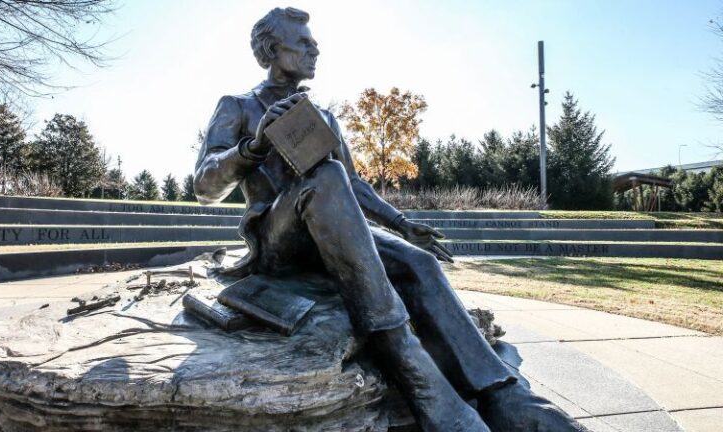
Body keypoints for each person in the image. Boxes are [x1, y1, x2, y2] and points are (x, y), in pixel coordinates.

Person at [194, 7, 588, 431]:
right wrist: (252, 146)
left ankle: (503, 394)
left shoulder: (323, 116)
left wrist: (402, 223)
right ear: (274, 49)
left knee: (421, 263)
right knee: (326, 175)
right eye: (304, 43)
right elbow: (204, 186)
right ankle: (416, 372)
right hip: (280, 244)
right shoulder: (238, 106)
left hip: (336, 235)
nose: (316, 50)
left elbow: (355, 186)